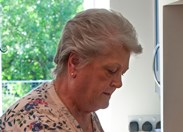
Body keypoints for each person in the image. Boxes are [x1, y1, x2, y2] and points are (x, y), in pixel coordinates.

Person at [0, 8, 142, 132]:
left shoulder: (82, 109)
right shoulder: (35, 123)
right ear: (75, 62)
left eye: (122, 73)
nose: (118, 83)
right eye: (111, 71)